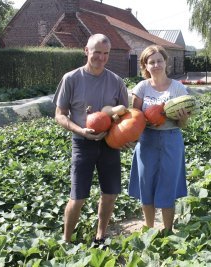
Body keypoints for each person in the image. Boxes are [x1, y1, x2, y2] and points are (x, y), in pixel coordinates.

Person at [52, 33, 129, 246]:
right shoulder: (71, 78)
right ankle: (66, 241)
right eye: (97, 52)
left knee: (110, 193)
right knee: (78, 197)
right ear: (86, 51)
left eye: (105, 54)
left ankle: (100, 235)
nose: (101, 58)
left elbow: (125, 116)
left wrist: (126, 137)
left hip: (110, 144)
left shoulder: (116, 82)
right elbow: (60, 114)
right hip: (82, 143)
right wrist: (81, 131)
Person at [128, 45, 190, 231]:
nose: (156, 65)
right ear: (145, 66)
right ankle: (149, 228)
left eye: (159, 61)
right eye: (151, 62)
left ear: (165, 62)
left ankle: (168, 230)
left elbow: (183, 126)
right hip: (147, 141)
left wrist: (183, 117)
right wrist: (131, 137)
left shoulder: (178, 88)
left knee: (168, 185)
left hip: (171, 139)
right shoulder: (141, 88)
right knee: (146, 184)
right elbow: (134, 118)